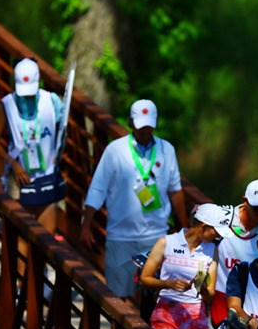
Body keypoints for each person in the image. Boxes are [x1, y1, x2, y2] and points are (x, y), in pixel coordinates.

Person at [80, 99, 187, 300]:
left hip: (156, 237)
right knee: (118, 299)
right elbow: (98, 188)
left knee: (152, 299)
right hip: (120, 237)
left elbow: (176, 191)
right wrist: (86, 225)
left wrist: (185, 228)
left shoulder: (167, 150)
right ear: (130, 123)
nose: (145, 131)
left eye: (148, 126)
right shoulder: (115, 150)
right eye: (140, 126)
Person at [139, 203, 227, 329]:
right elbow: (144, 279)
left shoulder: (212, 249)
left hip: (195, 315)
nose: (218, 237)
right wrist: (168, 284)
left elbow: (210, 294)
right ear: (204, 227)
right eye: (216, 232)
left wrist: (203, 289)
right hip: (167, 309)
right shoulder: (166, 242)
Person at [0, 57, 65, 233]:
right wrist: (13, 164)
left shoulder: (52, 101)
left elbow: (62, 132)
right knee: (22, 239)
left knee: (46, 240)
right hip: (21, 180)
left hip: (48, 177)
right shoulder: (7, 104)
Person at [210, 179, 258, 327]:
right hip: (215, 296)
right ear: (245, 201)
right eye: (257, 207)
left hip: (247, 300)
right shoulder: (222, 217)